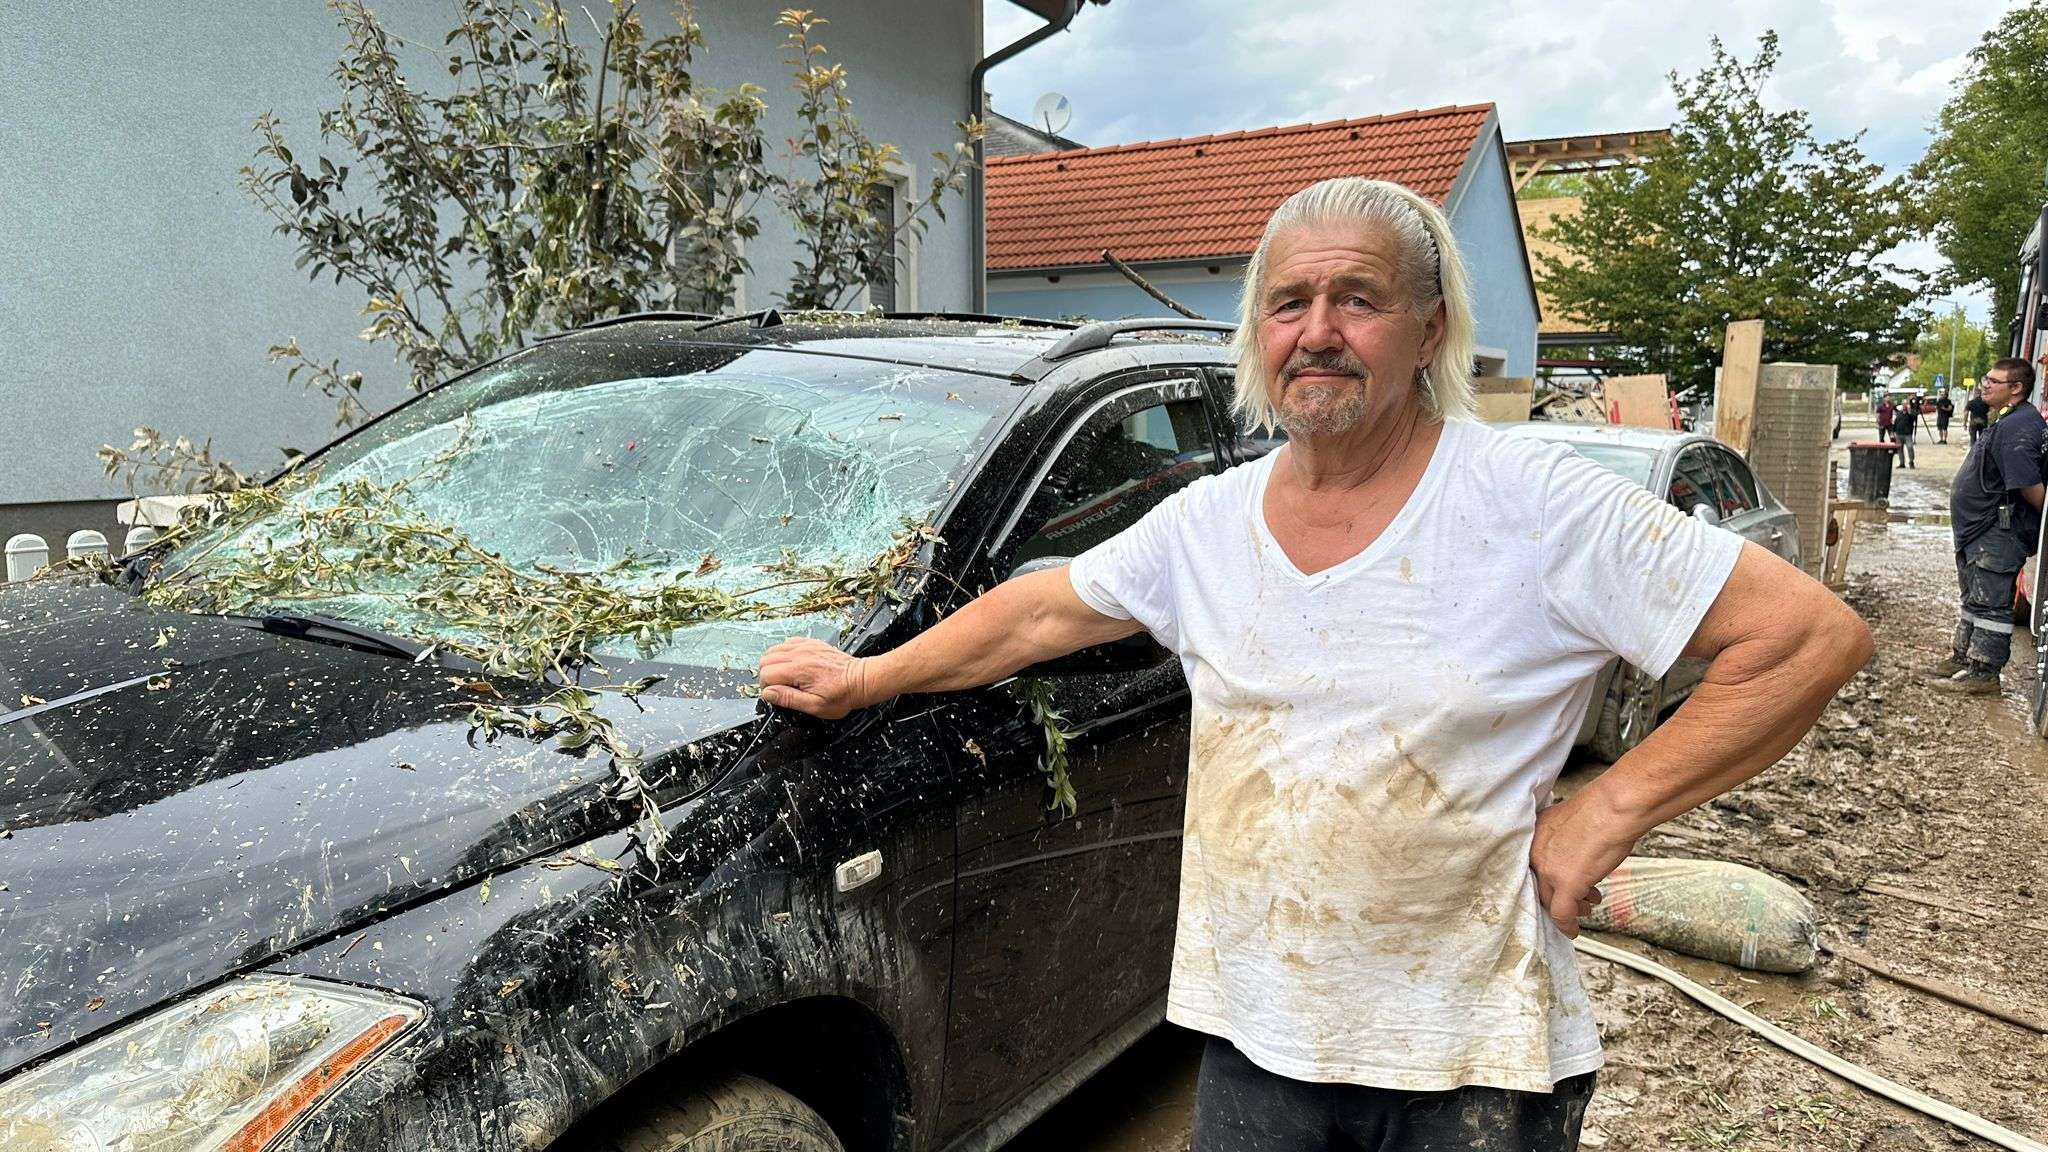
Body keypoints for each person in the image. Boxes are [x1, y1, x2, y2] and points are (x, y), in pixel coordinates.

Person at [758, 178, 1870, 1152]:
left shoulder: (1532, 503)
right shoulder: (1207, 521)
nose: (1319, 331)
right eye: (1289, 303)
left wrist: (1609, 807)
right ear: (1258, 334)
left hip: (1467, 1061)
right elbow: (1039, 613)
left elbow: (1805, 639)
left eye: (1358, 299)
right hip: (1258, 1040)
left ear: (1427, 331)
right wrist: (870, 678)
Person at [1927, 359, 2046, 694]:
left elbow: (2029, 485)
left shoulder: (2021, 426)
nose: (1985, 385)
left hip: (1997, 530)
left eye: (1994, 381)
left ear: (2016, 388)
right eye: (1986, 379)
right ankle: (1963, 658)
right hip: (1979, 529)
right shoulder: (2008, 419)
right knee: (1975, 597)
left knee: (1992, 602)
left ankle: (1984, 673)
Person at [1891, 398, 1918, 468]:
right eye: (1903, 404)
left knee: (1910, 447)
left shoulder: (1911, 413)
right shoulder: (1899, 413)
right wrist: (1893, 431)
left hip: (1907, 434)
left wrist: (1909, 411)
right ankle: (1902, 463)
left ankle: (1911, 461)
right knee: (1900, 449)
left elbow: (1913, 418)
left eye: (1906, 404)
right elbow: (1895, 422)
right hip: (1899, 433)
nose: (1904, 406)